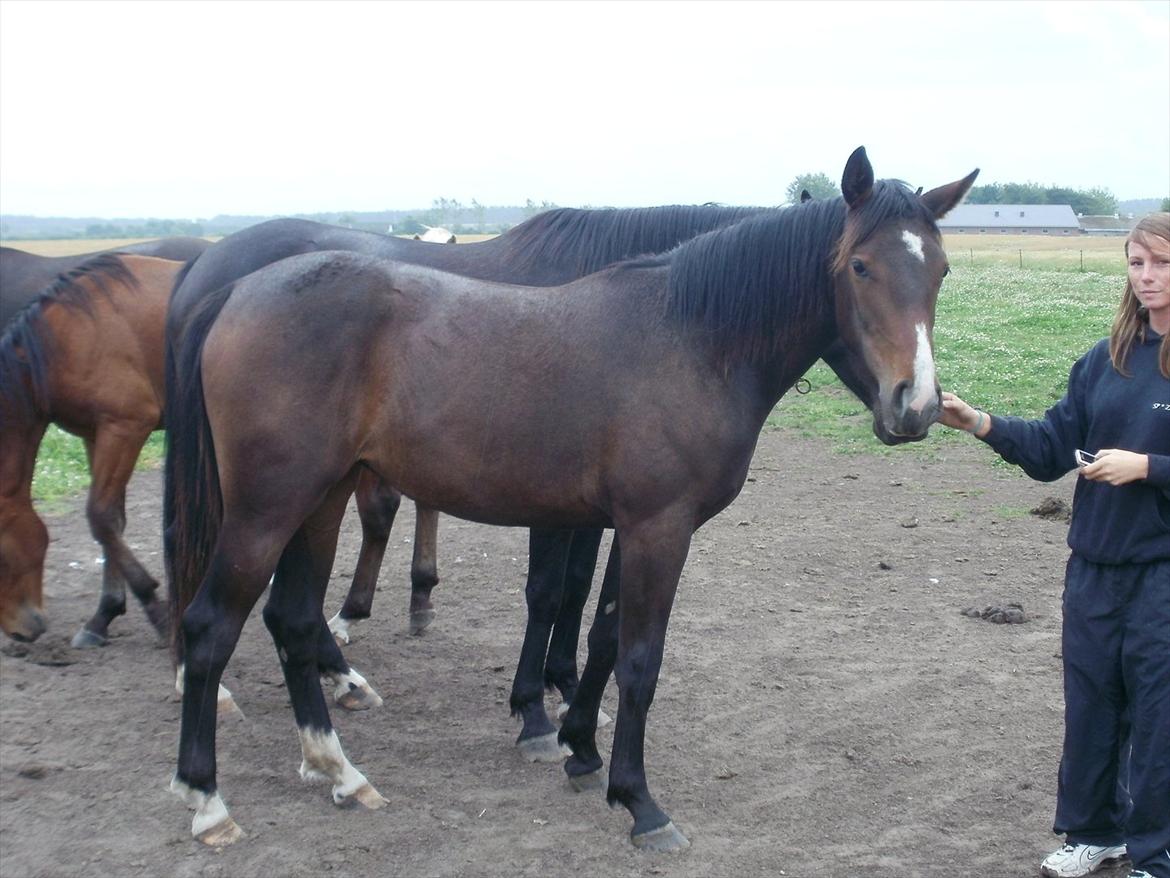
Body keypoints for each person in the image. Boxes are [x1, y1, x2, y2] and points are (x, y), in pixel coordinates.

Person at [940, 212, 1170, 878]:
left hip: (1162, 572)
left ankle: (1157, 854)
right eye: (1136, 263)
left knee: (1158, 716)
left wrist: (1148, 467)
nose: (1147, 276)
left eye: (1161, 263)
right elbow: (1050, 450)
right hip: (1094, 566)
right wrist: (979, 422)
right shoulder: (1105, 360)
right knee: (1092, 705)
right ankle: (1095, 833)